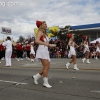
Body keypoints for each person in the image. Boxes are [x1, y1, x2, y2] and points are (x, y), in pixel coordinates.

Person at [32, 20, 56, 88]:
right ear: (41, 25)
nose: (46, 25)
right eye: (45, 24)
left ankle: (36, 77)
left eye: (46, 24)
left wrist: (51, 45)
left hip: (45, 50)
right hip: (42, 50)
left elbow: (47, 43)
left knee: (48, 66)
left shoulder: (44, 33)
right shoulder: (40, 32)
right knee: (46, 67)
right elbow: (36, 41)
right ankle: (45, 83)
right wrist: (46, 44)